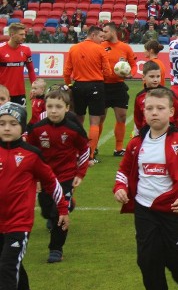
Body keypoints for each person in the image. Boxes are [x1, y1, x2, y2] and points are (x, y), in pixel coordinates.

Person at [112, 88, 178, 290]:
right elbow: (123, 171)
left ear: (171, 112)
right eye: (150, 108)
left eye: (160, 108)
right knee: (147, 259)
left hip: (174, 211)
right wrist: (120, 188)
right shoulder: (135, 144)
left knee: (177, 260)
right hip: (145, 210)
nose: (154, 113)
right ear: (143, 112)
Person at [0, 102, 69, 290]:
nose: (7, 128)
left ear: (22, 127)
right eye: (2, 123)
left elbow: (51, 182)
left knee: (6, 268)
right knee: (10, 262)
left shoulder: (31, 155)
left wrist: (62, 209)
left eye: (13, 123)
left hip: (19, 224)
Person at [26, 89, 89, 263]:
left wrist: (80, 173)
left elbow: (85, 149)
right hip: (45, 176)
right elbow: (31, 153)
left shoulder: (74, 129)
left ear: (67, 108)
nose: (54, 110)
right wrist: (35, 178)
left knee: (58, 214)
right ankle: (66, 206)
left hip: (65, 177)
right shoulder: (37, 129)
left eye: (58, 107)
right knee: (46, 210)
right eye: (50, 106)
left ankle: (56, 249)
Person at [63, 25, 111, 160]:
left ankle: (77, 150)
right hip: (96, 85)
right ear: (93, 35)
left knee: (78, 119)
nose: (102, 40)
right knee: (95, 121)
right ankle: (90, 154)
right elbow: (108, 72)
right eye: (101, 37)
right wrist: (101, 79)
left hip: (78, 86)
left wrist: (69, 85)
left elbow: (67, 72)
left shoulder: (73, 48)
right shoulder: (100, 50)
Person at [100, 23, 137, 156]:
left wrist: (131, 73)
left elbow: (133, 65)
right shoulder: (100, 46)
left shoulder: (125, 48)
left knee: (121, 117)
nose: (103, 34)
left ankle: (119, 148)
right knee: (100, 118)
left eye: (105, 31)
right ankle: (94, 147)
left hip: (119, 87)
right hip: (102, 86)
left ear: (113, 32)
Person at [133, 61, 178, 135]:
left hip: (169, 133)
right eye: (152, 76)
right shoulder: (139, 96)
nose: (155, 80)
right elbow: (138, 120)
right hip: (148, 134)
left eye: (158, 76)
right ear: (143, 77)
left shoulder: (168, 94)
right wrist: (141, 135)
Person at [0, 23, 37, 105]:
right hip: (2, 94)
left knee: (20, 117)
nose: (24, 37)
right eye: (21, 34)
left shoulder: (26, 50)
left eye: (24, 34)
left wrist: (34, 88)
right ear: (12, 35)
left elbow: (31, 70)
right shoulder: (1, 50)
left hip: (20, 93)